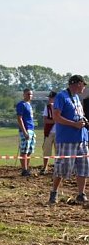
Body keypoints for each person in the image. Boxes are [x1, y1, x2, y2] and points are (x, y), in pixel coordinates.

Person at [48, 75, 88, 205]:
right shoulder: (61, 96)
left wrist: (83, 121)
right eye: (83, 84)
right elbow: (56, 117)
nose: (84, 87)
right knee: (62, 167)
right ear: (77, 83)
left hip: (81, 138)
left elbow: (78, 114)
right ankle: (54, 193)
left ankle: (81, 194)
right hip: (67, 138)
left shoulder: (77, 97)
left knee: (83, 166)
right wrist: (74, 124)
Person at [15, 87, 36, 176]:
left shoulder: (29, 105)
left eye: (31, 94)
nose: (30, 96)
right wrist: (24, 132)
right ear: (23, 95)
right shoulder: (21, 104)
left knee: (29, 150)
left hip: (31, 129)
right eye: (28, 94)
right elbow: (19, 118)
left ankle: (27, 168)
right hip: (26, 129)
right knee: (24, 151)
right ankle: (24, 170)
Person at [41, 91, 57, 174]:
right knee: (46, 151)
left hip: (59, 132)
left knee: (58, 151)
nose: (50, 99)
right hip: (49, 132)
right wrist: (56, 120)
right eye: (49, 97)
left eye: (51, 97)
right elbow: (45, 120)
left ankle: (57, 168)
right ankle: (45, 167)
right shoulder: (47, 107)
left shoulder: (61, 107)